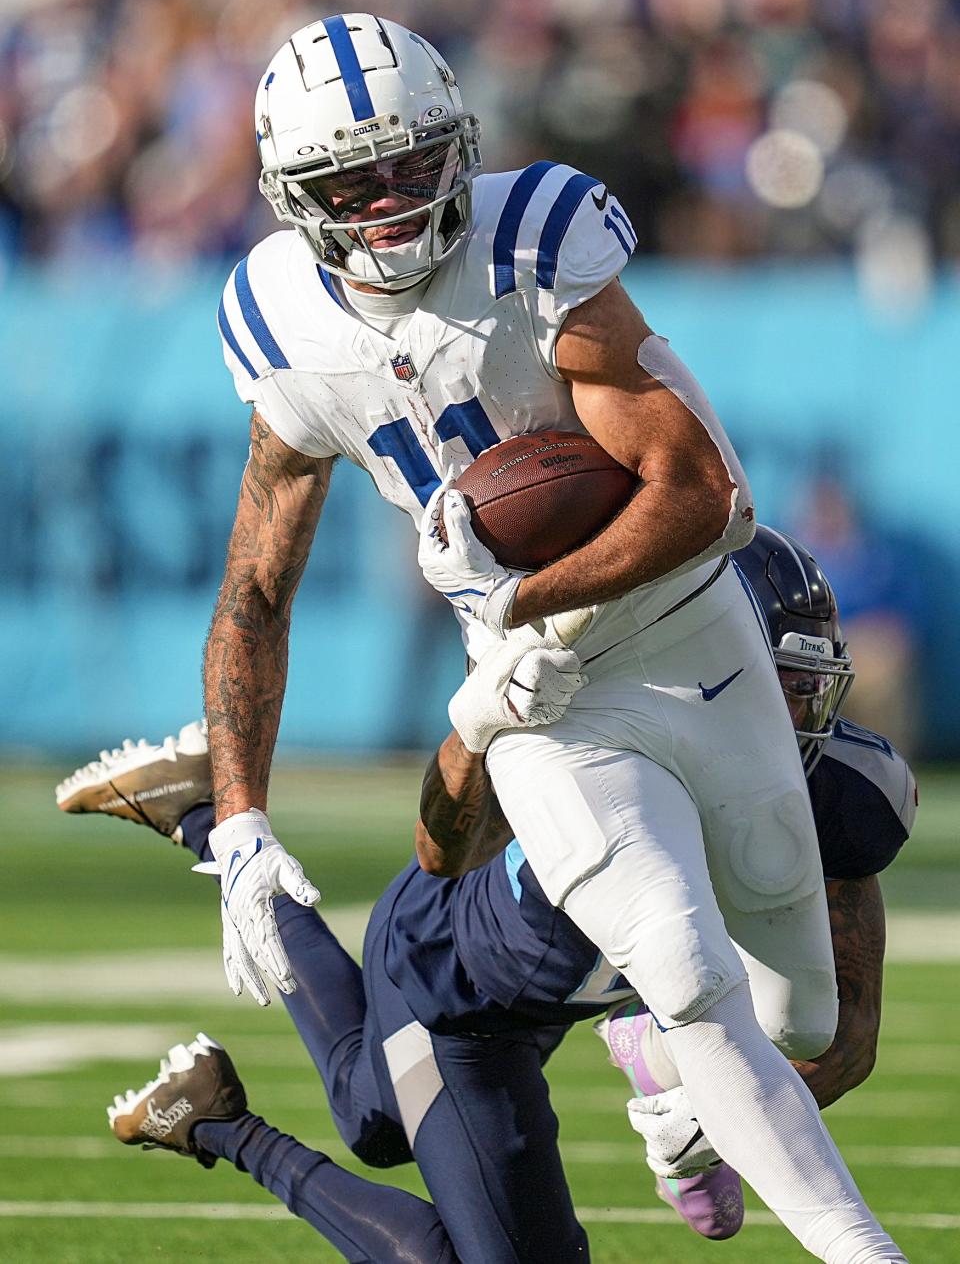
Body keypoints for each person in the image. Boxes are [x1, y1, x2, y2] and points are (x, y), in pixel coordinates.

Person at [202, 12, 901, 1257]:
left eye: (413, 166)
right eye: (349, 184)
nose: (389, 204)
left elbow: (707, 495)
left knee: (802, 1022)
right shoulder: (278, 322)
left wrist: (525, 594)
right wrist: (244, 821)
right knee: (686, 969)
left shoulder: (536, 242)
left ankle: (680, 1090)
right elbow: (257, 586)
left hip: (683, 626)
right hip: (537, 693)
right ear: (290, 198)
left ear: (459, 147)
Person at [60, 529, 915, 1258]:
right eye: (775, 687)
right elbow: (442, 844)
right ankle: (220, 1080)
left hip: (545, 998)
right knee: (372, 1116)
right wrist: (480, 723)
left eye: (810, 686)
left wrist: (698, 1106)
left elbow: (839, 1035)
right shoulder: (593, 761)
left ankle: (208, 1054)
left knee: (379, 1118)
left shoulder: (841, 793)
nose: (797, 717)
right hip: (458, 989)